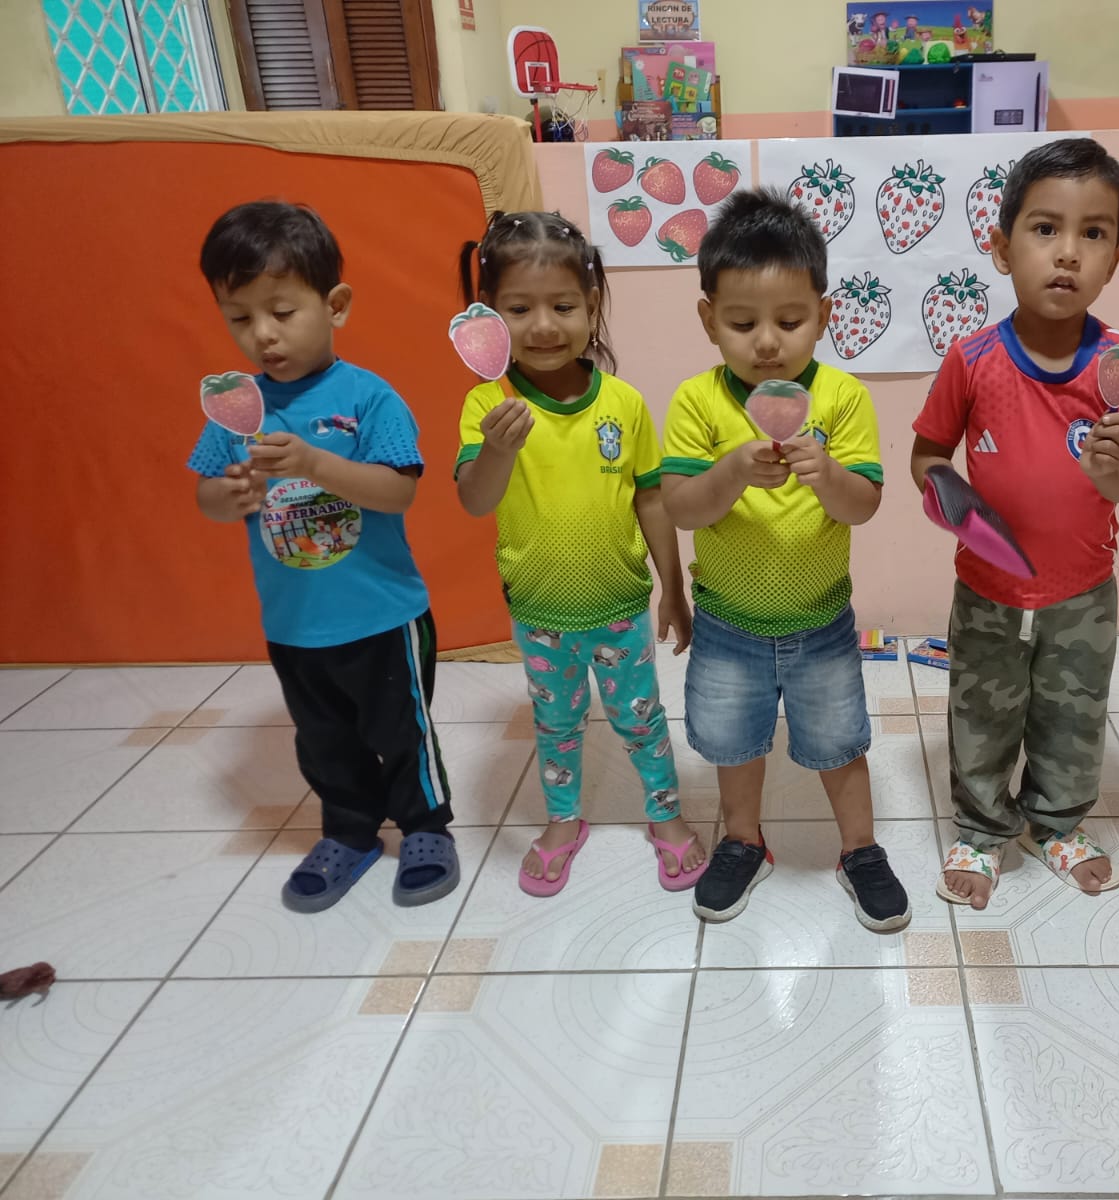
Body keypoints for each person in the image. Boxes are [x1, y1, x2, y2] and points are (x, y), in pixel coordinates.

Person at [189, 201, 457, 912]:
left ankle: (426, 827)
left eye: (281, 311)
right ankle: (349, 831)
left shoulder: (369, 398)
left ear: (335, 305)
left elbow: (397, 491)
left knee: (401, 732)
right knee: (324, 740)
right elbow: (206, 496)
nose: (263, 334)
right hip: (294, 623)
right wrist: (229, 494)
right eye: (239, 317)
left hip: (384, 616)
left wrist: (313, 462)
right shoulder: (236, 405)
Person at [911, 138, 1119, 910]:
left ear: (1116, 258)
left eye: (1094, 233)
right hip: (988, 586)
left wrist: (1113, 467)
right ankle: (983, 829)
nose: (1068, 252)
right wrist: (950, 499)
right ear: (1001, 246)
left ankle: (1055, 824)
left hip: (1084, 591)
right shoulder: (973, 359)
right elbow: (927, 455)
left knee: (1073, 714)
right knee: (982, 711)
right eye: (1046, 229)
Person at [660, 187, 910, 931]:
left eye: (790, 321)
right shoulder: (697, 402)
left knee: (839, 743)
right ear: (708, 319)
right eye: (742, 323)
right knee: (733, 744)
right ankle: (743, 840)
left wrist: (826, 474)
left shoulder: (842, 397)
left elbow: (862, 505)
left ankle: (859, 849)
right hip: (727, 624)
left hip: (821, 622)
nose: (766, 342)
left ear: (824, 316)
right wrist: (732, 470)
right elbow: (682, 507)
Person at [455, 211, 703, 895]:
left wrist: (673, 588)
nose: (543, 325)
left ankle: (665, 813)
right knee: (556, 723)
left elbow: (652, 500)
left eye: (563, 306)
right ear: (489, 316)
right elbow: (475, 499)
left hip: (620, 606)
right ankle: (563, 819)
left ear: (592, 306)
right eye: (519, 308)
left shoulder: (623, 403)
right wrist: (498, 448)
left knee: (641, 720)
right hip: (539, 614)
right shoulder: (487, 405)